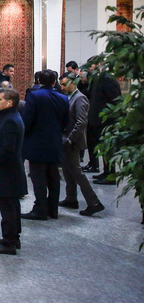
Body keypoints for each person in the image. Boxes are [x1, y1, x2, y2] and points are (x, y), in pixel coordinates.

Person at [21, 69, 69, 221]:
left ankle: (40, 208)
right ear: (55, 82)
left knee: (38, 177)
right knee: (54, 176)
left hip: (37, 142)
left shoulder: (34, 95)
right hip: (54, 141)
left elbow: (28, 120)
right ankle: (53, 209)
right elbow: (66, 122)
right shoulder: (63, 98)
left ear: (38, 81)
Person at [0, 88, 27, 255]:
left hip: (7, 171)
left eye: (0, 99)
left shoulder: (10, 120)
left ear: (9, 103)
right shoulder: (10, 117)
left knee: (8, 207)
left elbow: (7, 150)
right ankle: (13, 237)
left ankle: (9, 242)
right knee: (12, 205)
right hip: (11, 170)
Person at [58, 73, 105, 216]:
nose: (62, 87)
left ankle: (94, 202)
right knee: (68, 171)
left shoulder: (80, 98)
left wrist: (70, 139)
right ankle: (71, 198)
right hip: (67, 140)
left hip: (73, 141)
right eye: (61, 84)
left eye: (65, 84)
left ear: (74, 82)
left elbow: (81, 122)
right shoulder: (70, 97)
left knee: (77, 172)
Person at [82, 62, 121, 184]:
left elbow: (115, 100)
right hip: (98, 120)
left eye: (91, 67)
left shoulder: (107, 79)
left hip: (105, 121)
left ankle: (111, 175)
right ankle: (106, 172)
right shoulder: (99, 79)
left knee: (107, 147)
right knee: (103, 148)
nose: (89, 69)